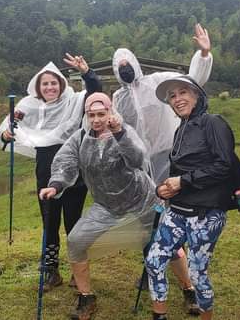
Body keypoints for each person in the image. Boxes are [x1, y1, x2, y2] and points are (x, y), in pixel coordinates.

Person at [112, 23, 215, 315]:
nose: (124, 68)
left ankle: (188, 286)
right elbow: (117, 131)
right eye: (119, 66)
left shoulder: (158, 82)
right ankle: (152, 268)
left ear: (134, 63)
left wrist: (203, 54)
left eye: (127, 63)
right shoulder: (118, 99)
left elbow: (192, 81)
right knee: (149, 225)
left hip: (170, 158)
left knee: (174, 222)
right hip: (140, 168)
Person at [39, 92, 159, 320]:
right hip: (106, 205)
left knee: (165, 243)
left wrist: (120, 134)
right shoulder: (80, 137)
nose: (96, 119)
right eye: (91, 114)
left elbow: (137, 160)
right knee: (75, 241)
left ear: (110, 112)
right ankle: (86, 297)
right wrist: (55, 185)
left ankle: (188, 288)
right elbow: (65, 162)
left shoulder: (124, 131)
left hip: (142, 200)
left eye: (101, 114)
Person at [0, 54, 102, 290]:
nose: (50, 87)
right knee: (49, 221)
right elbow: (9, 127)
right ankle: (51, 271)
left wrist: (87, 73)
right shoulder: (28, 106)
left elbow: (94, 91)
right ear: (38, 86)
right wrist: (6, 134)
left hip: (74, 169)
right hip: (45, 170)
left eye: (54, 82)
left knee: (74, 223)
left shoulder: (74, 102)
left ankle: (79, 271)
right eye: (45, 83)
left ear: (61, 85)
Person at [145, 76, 240, 320]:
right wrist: (165, 188)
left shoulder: (213, 123)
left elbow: (224, 166)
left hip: (206, 213)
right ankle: (160, 316)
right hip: (177, 210)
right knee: (154, 260)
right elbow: (179, 172)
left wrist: (183, 182)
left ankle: (205, 316)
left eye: (182, 92)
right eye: (172, 96)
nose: (177, 99)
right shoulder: (181, 128)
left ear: (197, 95)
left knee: (198, 272)